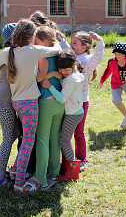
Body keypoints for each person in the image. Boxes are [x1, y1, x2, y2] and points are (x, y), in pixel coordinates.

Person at [0, 19, 61, 192]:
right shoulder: (33, 51)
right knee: (28, 142)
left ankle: (16, 173)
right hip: (30, 103)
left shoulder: (9, 52)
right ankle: (20, 182)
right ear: (32, 36)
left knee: (24, 139)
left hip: (16, 102)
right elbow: (56, 50)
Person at [0, 23, 23, 186]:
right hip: (4, 99)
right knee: (9, 135)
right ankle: (0, 175)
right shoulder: (10, 52)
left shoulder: (13, 52)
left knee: (14, 132)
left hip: (6, 97)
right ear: (13, 38)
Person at [42, 50, 85, 181]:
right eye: (61, 69)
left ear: (72, 66)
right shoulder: (74, 75)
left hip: (73, 114)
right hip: (76, 112)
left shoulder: (70, 80)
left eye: (66, 70)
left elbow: (62, 99)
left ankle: (73, 170)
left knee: (64, 141)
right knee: (65, 140)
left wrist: (50, 86)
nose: (63, 72)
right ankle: (70, 168)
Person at [33, 26, 65, 188]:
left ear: (45, 41)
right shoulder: (58, 53)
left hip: (46, 102)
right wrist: (53, 75)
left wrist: (45, 75)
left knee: (43, 140)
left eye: (36, 41)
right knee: (54, 139)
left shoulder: (43, 56)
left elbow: (39, 78)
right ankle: (54, 172)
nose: (34, 43)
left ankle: (41, 178)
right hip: (59, 102)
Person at [70, 31, 104, 172]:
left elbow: (98, 56)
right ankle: (69, 157)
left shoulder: (87, 61)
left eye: (74, 43)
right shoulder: (67, 57)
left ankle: (81, 159)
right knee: (65, 133)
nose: (71, 45)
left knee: (78, 132)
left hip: (81, 102)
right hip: (65, 100)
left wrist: (99, 40)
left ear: (83, 47)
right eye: (71, 42)